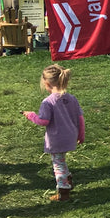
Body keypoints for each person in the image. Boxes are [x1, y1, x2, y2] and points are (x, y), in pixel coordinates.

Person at [23, 64, 85, 202]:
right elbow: (80, 118)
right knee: (61, 160)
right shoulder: (71, 98)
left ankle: (64, 191)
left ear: (46, 83)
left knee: (58, 164)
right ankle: (68, 180)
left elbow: (43, 121)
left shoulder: (48, 102)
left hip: (57, 139)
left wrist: (31, 115)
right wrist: (81, 135)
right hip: (70, 136)